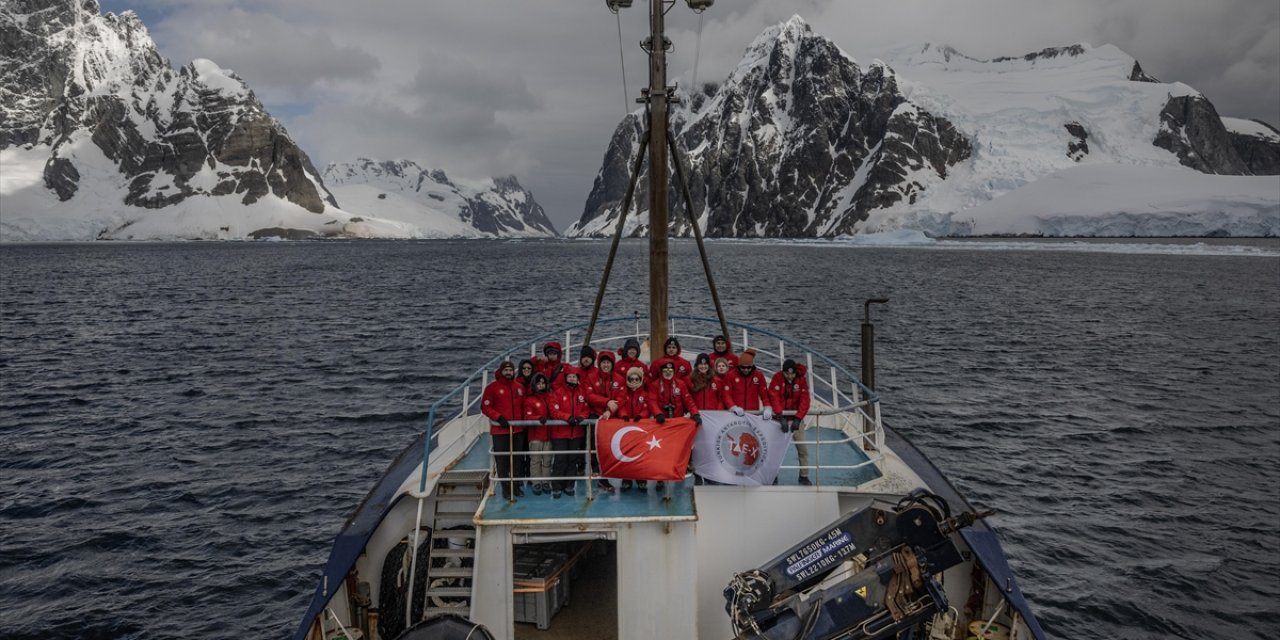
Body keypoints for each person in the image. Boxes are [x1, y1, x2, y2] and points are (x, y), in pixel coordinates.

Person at [602, 365, 653, 491]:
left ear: (640, 379)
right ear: (628, 380)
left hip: (640, 429)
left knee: (640, 455)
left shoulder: (645, 394)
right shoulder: (624, 393)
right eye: (631, 379)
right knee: (627, 454)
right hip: (626, 428)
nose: (634, 381)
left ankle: (641, 479)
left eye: (637, 379)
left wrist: (640, 416)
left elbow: (647, 408)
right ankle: (627, 479)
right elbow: (621, 405)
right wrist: (624, 415)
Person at [480, 360, 525, 499]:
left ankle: (516, 487)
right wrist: (498, 417)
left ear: (514, 371)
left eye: (510, 370)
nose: (508, 373)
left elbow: (524, 406)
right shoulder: (492, 388)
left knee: (517, 460)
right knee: (502, 461)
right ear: (501, 371)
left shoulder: (519, 387)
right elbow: (485, 406)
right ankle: (506, 489)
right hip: (500, 431)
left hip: (517, 430)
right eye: (505, 370)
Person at [769, 359, 813, 485]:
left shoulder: (801, 381)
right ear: (782, 372)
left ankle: (803, 476)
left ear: (795, 373)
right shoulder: (777, 378)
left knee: (802, 449)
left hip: (795, 420)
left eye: (792, 374)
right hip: (779, 421)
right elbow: (773, 396)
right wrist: (780, 416)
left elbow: (805, 400)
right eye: (786, 373)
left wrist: (798, 418)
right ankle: (773, 475)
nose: (789, 376)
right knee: (775, 450)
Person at [551, 366, 591, 498]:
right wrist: (567, 418)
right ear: (565, 378)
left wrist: (581, 417)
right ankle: (557, 486)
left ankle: (569, 485)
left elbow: (586, 409)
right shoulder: (558, 392)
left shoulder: (581, 393)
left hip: (576, 433)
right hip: (560, 433)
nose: (572, 379)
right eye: (570, 376)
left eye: (574, 376)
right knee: (560, 460)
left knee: (572, 460)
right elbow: (554, 411)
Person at [523, 373, 554, 495]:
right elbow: (527, 416)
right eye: (538, 383)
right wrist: (538, 418)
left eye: (543, 383)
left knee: (547, 460)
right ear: (534, 385)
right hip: (535, 436)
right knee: (535, 461)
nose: (541, 385)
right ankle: (536, 482)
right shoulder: (530, 400)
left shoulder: (550, 397)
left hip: (548, 435)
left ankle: (546, 481)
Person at [724, 349, 772, 418]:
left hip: (753, 414)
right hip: (736, 414)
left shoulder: (759, 376)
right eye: (743, 367)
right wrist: (733, 407)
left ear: (752, 366)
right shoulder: (730, 376)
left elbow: (764, 395)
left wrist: (767, 407)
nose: (746, 370)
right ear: (739, 366)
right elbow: (727, 395)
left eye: (748, 367)